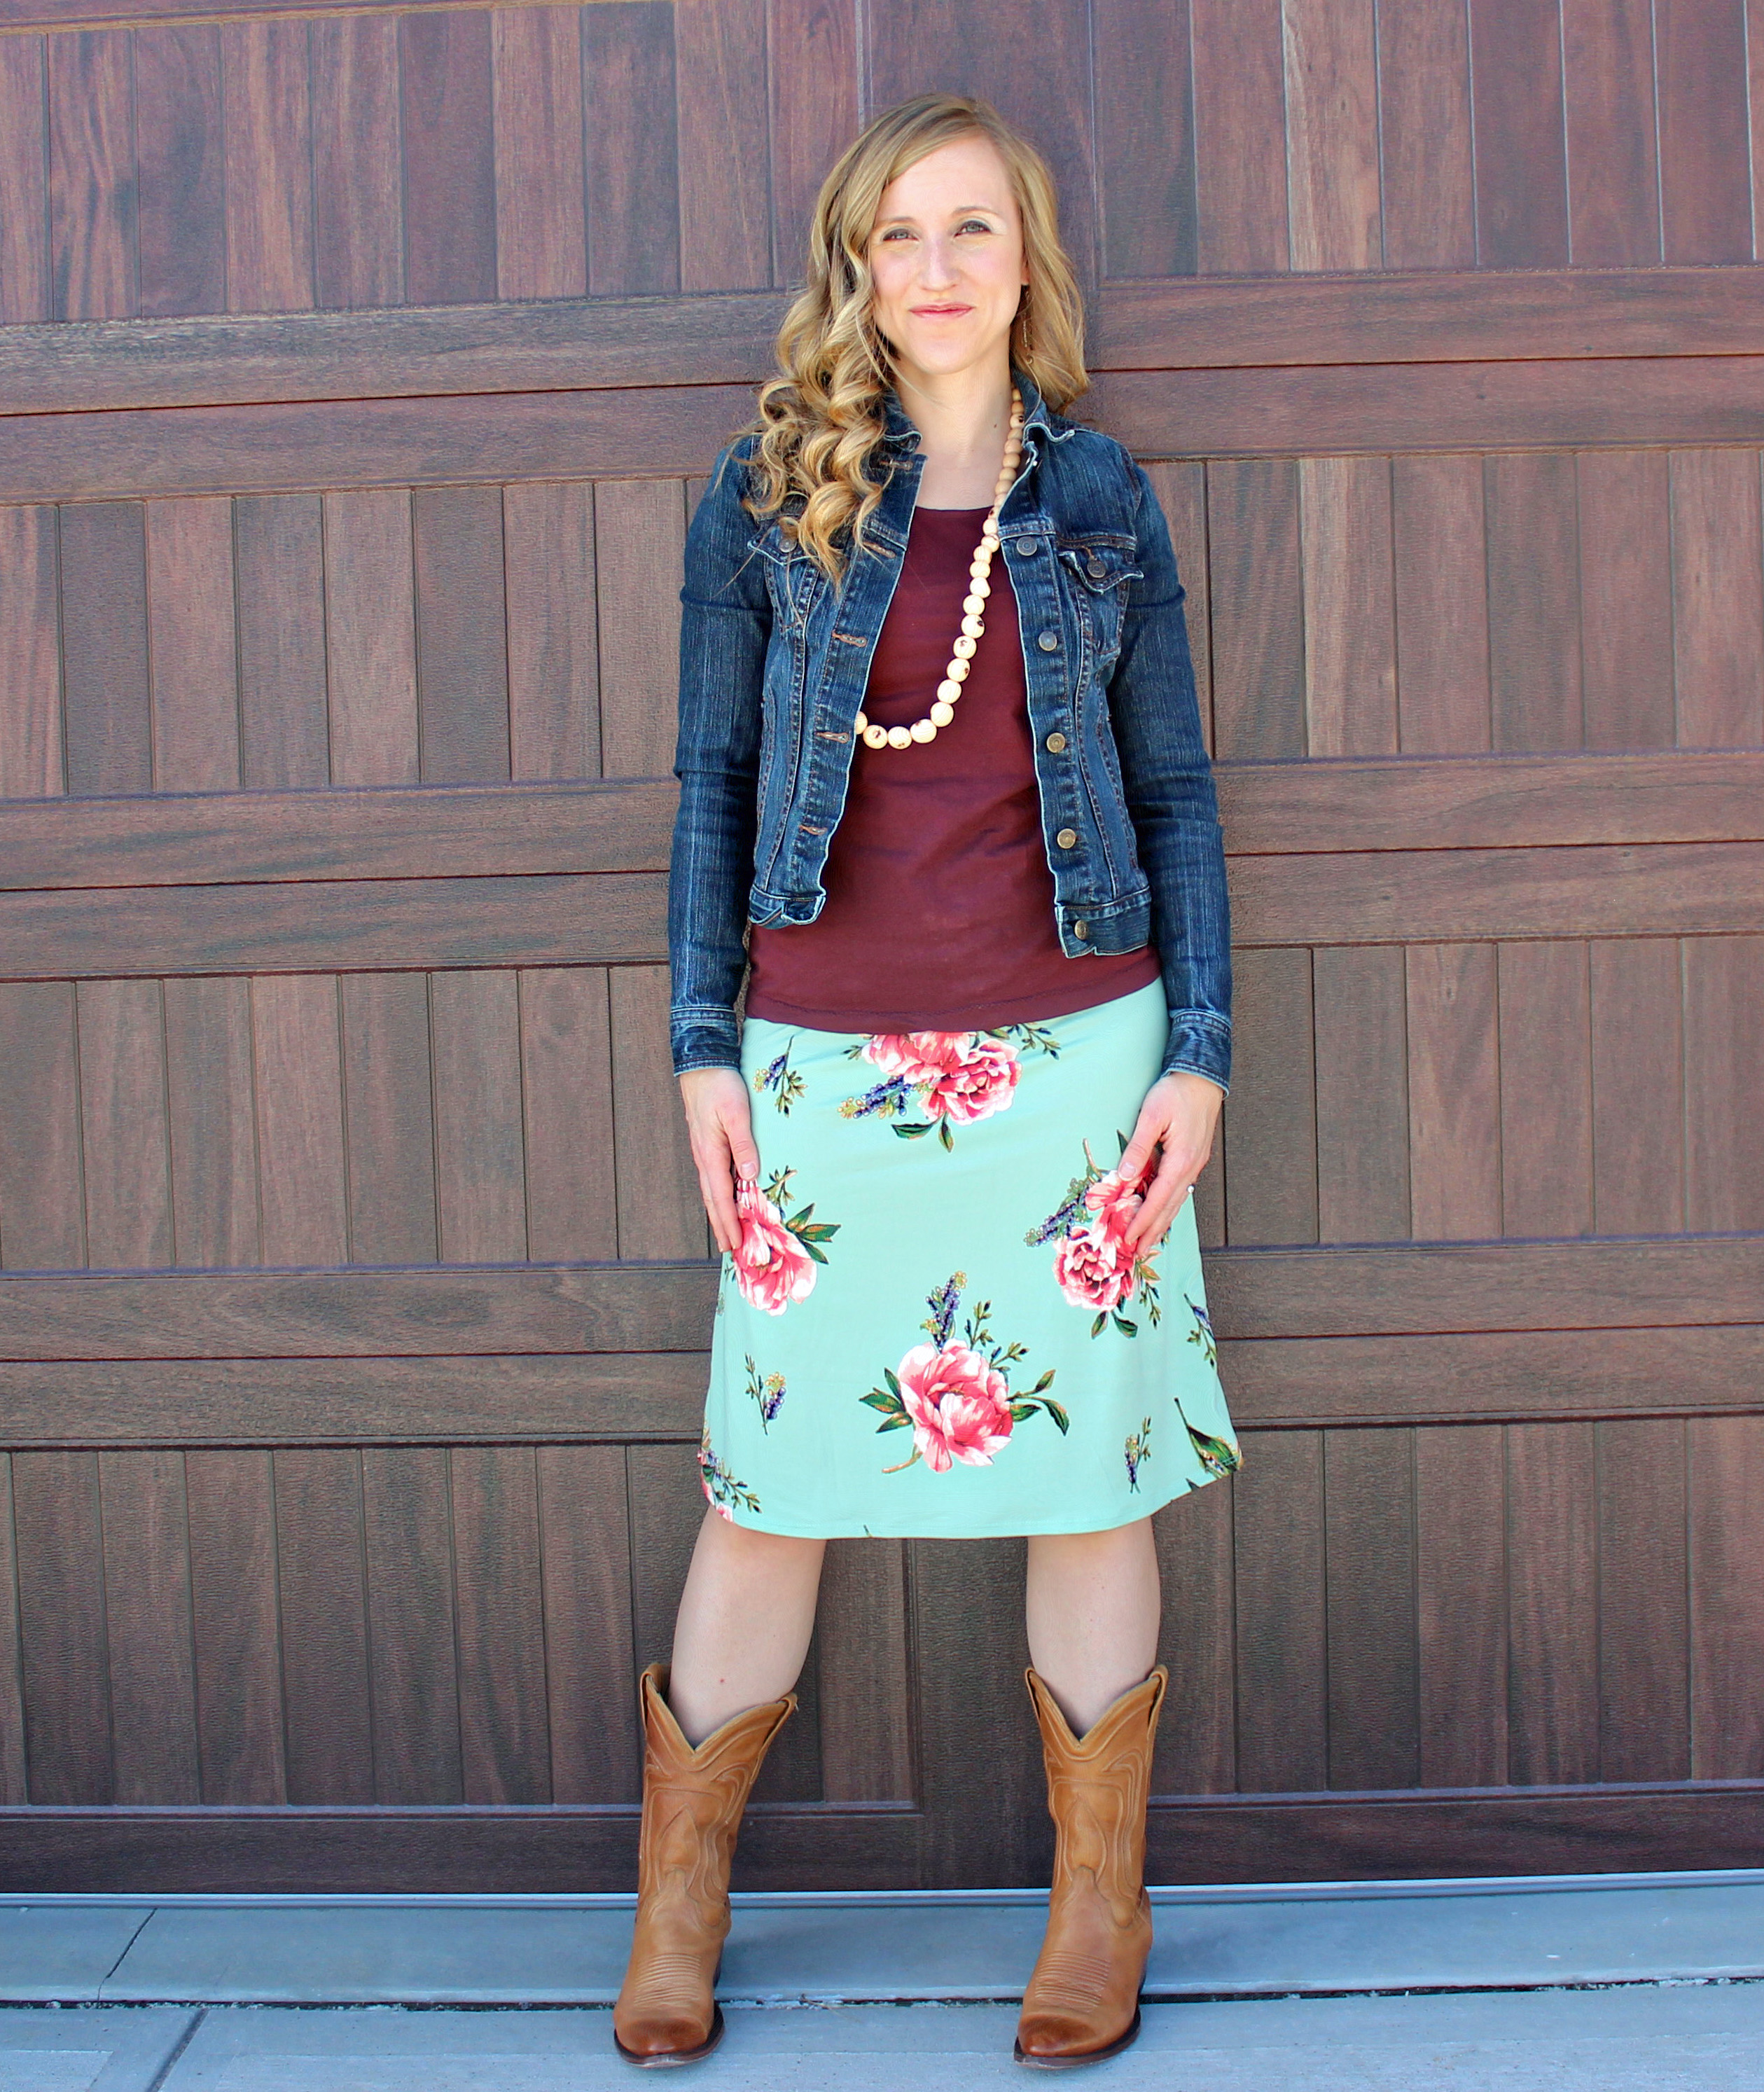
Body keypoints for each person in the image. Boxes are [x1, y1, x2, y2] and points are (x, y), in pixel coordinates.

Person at [614, 90, 1240, 2071]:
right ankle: (678, 1905)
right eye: (900, 235)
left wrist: (1199, 1055)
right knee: (771, 1475)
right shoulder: (764, 492)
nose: (938, 269)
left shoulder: (1101, 504)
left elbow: (1173, 794)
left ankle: (1094, 1905)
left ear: (1025, 263)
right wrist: (701, 1045)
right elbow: (714, 787)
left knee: (1082, 1472)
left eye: (973, 229)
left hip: (1073, 1056)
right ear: (856, 272)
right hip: (813, 1062)